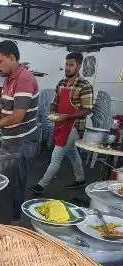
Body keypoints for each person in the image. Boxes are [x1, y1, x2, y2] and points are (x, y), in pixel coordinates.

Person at [0, 40, 39, 222]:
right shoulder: (10, 79)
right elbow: (2, 108)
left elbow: (17, 116)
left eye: (0, 62)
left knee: (16, 184)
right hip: (10, 140)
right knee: (8, 182)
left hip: (23, 142)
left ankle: (15, 221)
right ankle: (8, 216)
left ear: (12, 57)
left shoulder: (24, 79)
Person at [30, 52, 93, 195]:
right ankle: (81, 179)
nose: (68, 67)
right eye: (66, 64)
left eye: (71, 65)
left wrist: (67, 116)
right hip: (61, 123)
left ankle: (41, 185)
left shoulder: (85, 85)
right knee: (72, 153)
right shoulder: (61, 83)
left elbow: (87, 109)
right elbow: (55, 103)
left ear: (79, 66)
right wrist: (53, 113)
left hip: (75, 126)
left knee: (57, 155)